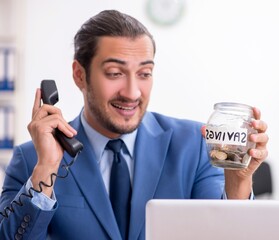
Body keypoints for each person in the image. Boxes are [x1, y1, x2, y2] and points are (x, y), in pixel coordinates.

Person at [0, 9, 268, 240]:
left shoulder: (195, 146)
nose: (132, 92)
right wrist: (46, 169)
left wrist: (238, 182)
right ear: (80, 75)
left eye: (144, 74)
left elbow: (222, 234)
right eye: (115, 73)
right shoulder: (30, 159)